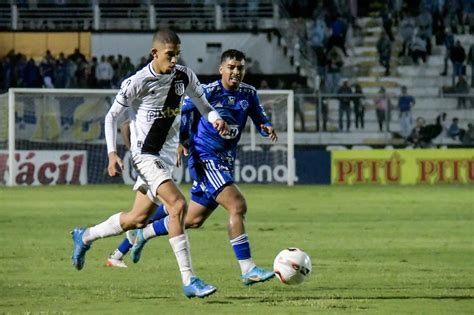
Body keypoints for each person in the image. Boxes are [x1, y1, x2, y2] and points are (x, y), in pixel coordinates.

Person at [70, 29, 228, 299]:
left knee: (137, 219)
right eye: (170, 54)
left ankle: (84, 236)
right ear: (154, 53)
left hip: (165, 159)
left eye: (177, 53)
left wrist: (214, 118)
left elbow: (203, 104)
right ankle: (189, 279)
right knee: (178, 206)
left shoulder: (184, 76)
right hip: (145, 155)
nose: (175, 59)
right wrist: (111, 153)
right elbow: (111, 117)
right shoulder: (138, 81)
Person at [123, 49, 278, 287]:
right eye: (231, 67)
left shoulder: (249, 93)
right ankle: (248, 269)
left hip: (225, 160)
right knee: (237, 205)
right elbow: (181, 112)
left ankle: (143, 234)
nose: (236, 72)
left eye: (240, 68)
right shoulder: (208, 91)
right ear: (221, 69)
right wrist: (181, 141)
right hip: (204, 158)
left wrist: (265, 126)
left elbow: (258, 115)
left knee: (193, 219)